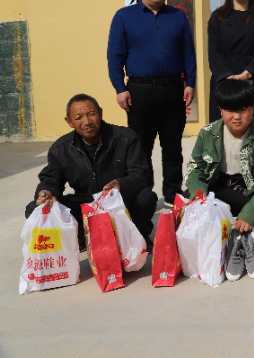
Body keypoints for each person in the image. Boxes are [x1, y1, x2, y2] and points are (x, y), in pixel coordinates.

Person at [107, 0, 196, 205]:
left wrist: (190, 83)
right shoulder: (124, 17)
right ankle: (143, 192)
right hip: (139, 91)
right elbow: (115, 56)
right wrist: (120, 88)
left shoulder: (177, 17)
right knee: (140, 146)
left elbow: (188, 53)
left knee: (172, 145)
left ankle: (173, 192)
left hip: (173, 89)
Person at [24, 94, 157, 248]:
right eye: (78, 117)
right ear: (69, 122)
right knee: (35, 208)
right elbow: (51, 179)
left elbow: (141, 174)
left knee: (146, 197)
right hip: (85, 203)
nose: (87, 122)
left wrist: (120, 184)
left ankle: (138, 236)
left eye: (91, 114)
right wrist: (46, 192)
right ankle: (82, 238)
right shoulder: (61, 148)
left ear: (100, 114)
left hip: (119, 203)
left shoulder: (126, 138)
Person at [185, 80, 254, 279]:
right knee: (189, 203)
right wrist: (198, 194)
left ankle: (253, 230)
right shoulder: (208, 133)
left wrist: (249, 213)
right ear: (220, 110)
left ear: (253, 109)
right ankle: (241, 233)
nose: (237, 117)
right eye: (230, 110)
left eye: (243, 110)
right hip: (222, 187)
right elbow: (195, 167)